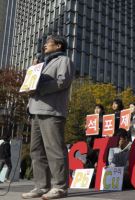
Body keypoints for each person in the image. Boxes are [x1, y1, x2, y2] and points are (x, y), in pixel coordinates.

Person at [22, 35, 74, 199]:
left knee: (54, 148)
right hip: (36, 111)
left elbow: (62, 82)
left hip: (52, 111)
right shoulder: (42, 64)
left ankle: (60, 187)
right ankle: (41, 186)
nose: (44, 46)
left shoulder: (63, 61)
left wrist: (38, 88)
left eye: (48, 43)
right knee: (36, 150)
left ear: (58, 45)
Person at [85, 104, 105, 169]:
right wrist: (86, 129)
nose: (96, 110)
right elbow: (86, 133)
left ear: (102, 110)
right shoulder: (91, 119)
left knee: (99, 158)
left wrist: (100, 129)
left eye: (98, 108)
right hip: (91, 142)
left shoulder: (104, 119)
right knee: (90, 158)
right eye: (95, 108)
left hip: (100, 141)